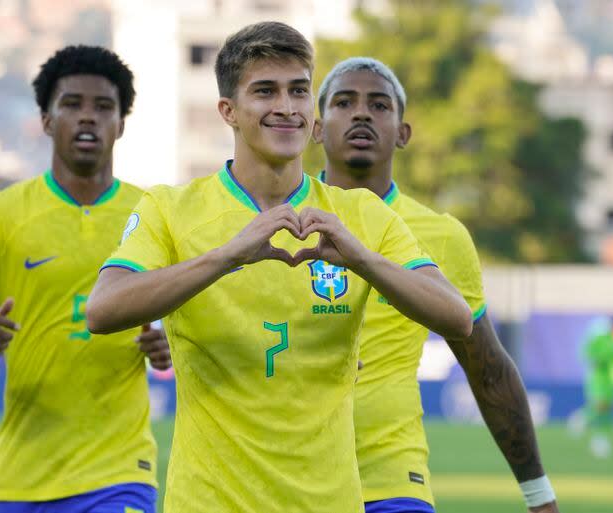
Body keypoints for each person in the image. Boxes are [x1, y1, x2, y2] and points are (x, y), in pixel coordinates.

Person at [86, 22, 472, 513]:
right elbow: (102, 310)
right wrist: (226, 256)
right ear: (228, 110)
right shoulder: (169, 208)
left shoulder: (361, 216)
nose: (286, 107)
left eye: (298, 91)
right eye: (265, 91)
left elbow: (456, 316)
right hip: (208, 502)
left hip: (328, 503)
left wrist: (362, 260)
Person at [0, 45, 170, 513]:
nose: (88, 118)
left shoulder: (153, 213)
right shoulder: (0, 214)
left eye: (104, 107)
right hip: (24, 478)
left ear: (122, 124)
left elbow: (196, 315)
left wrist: (172, 340)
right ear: (47, 120)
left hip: (120, 470)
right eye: (72, 105)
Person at [314, 57, 559, 513]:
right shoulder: (286, 221)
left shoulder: (442, 235)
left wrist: (539, 495)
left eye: (380, 105)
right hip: (291, 476)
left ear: (403, 133)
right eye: (344, 103)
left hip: (392, 478)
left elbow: (487, 369)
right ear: (316, 128)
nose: (362, 113)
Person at [578, 316, 613, 458]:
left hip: (611, 381)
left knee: (610, 408)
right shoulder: (602, 338)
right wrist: (599, 360)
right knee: (600, 406)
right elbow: (590, 354)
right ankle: (583, 421)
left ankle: (602, 438)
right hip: (599, 379)